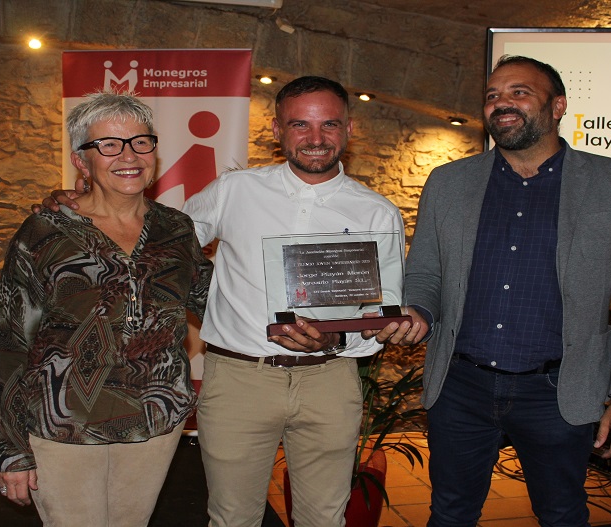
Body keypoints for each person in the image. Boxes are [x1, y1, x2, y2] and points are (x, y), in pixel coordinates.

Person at [40, 76, 408, 527]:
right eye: (300, 125)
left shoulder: (377, 212)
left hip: (330, 381)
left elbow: (383, 309)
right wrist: (87, 199)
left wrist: (340, 341)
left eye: (329, 124)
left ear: (349, 129)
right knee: (232, 519)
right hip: (239, 380)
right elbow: (161, 242)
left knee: (325, 519)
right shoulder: (235, 190)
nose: (315, 138)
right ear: (276, 130)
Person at [367, 55, 611, 526]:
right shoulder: (449, 182)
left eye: (519, 92)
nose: (502, 103)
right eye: (492, 96)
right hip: (461, 386)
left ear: (558, 105)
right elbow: (425, 272)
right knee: (449, 514)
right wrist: (419, 310)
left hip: (558, 390)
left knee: (562, 514)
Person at [0, 92, 213, 526]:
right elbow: (5, 342)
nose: (129, 155)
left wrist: (306, 313)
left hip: (154, 421)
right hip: (64, 423)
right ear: (81, 161)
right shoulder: (45, 232)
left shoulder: (175, 228)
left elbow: (216, 301)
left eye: (141, 142)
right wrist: (8, 446)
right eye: (108, 144)